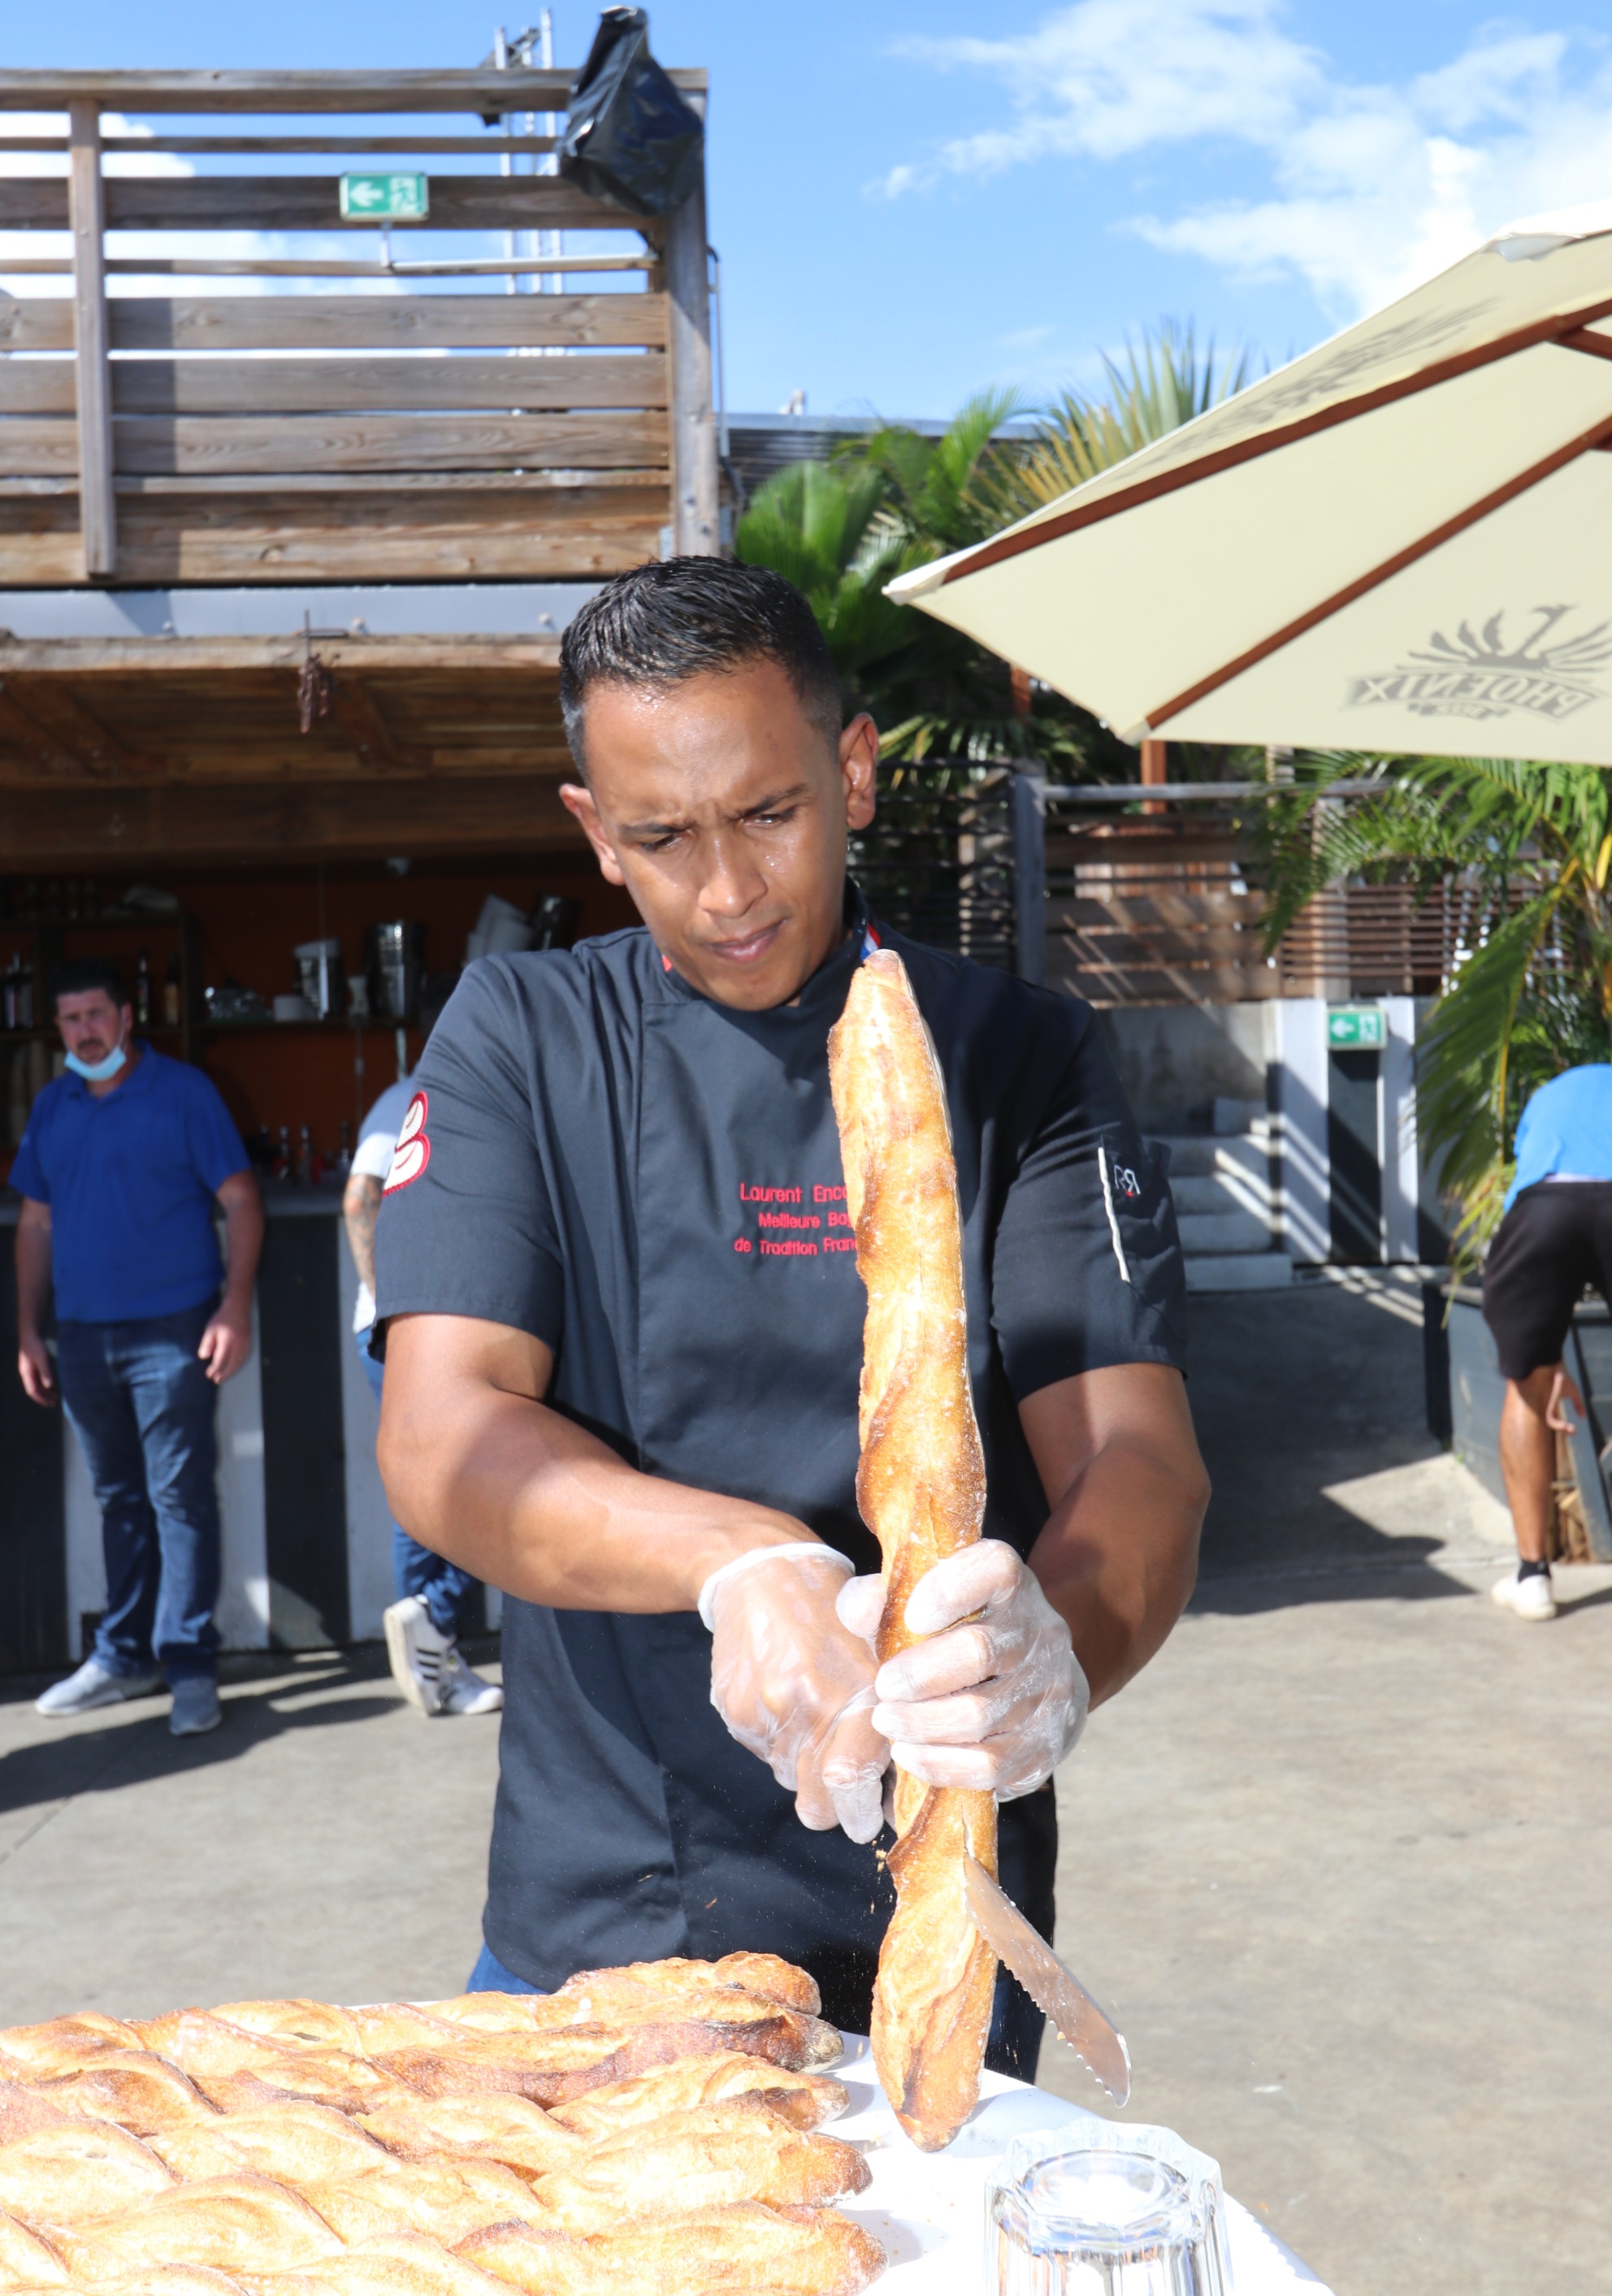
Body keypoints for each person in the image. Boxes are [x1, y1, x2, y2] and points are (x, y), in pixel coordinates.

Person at [374, 559, 1208, 2065]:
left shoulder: (1017, 1057)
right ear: (593, 835)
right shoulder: (524, 1038)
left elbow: (1133, 1457)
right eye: (659, 837)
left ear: (854, 768)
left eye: (767, 813)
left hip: (938, 1906)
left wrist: (1051, 1646)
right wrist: (739, 1563)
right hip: (605, 1916)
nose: (727, 890)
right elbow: (441, 1436)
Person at [14, 958, 263, 1735]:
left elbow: (243, 1201)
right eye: (69, 1019)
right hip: (82, 1335)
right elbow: (34, 1224)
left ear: (127, 1018)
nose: (84, 1031)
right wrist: (27, 1328)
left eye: (95, 1014)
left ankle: (187, 1663)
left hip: (173, 1330)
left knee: (179, 1498)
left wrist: (234, 1307)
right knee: (118, 1500)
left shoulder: (184, 1093)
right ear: (57, 1030)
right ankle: (123, 1657)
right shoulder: (53, 1106)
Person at [341, 986, 501, 1720]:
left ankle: (435, 1643)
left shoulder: (407, 1093)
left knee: (423, 1491)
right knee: (479, 1483)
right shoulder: (448, 1092)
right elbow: (358, 1198)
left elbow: (359, 1196)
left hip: (409, 1325)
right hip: (441, 1326)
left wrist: (384, 1300)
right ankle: (437, 1624)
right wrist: (390, 1296)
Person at [1481, 1061, 1612, 1622]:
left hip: (1544, 1208)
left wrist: (1543, 1354)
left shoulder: (1548, 1096)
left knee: (1526, 1387)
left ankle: (1533, 1576)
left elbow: (1526, 1189)